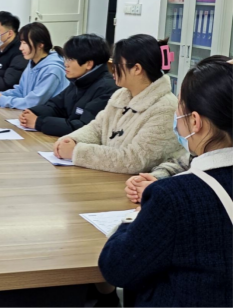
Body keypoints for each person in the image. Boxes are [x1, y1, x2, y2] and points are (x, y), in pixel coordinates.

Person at [99, 56, 233, 307]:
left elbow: (116, 267)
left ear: (195, 121)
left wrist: (135, 217)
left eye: (180, 108)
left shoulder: (174, 197)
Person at [53, 34, 184, 174]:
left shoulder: (165, 108)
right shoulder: (121, 95)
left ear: (137, 69)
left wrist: (77, 152)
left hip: (137, 184)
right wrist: (73, 139)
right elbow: (98, 128)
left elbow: (134, 160)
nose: (112, 68)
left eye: (117, 63)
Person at [124, 55, 233, 204]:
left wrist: (163, 193)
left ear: (195, 121)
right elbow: (178, 164)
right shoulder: (206, 152)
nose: (176, 112)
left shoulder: (180, 198)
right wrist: (156, 180)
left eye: (180, 104)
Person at [19, 34, 118, 136]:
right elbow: (55, 106)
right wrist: (32, 112)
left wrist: (39, 122)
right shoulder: (79, 80)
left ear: (89, 64)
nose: (65, 64)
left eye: (70, 59)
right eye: (66, 58)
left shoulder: (107, 89)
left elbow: (83, 127)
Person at [0, 22, 68, 109]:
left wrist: (2, 100)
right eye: (21, 42)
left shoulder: (53, 70)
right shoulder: (32, 62)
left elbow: (34, 102)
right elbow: (22, 90)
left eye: (25, 43)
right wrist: (1, 95)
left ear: (40, 45)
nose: (20, 48)